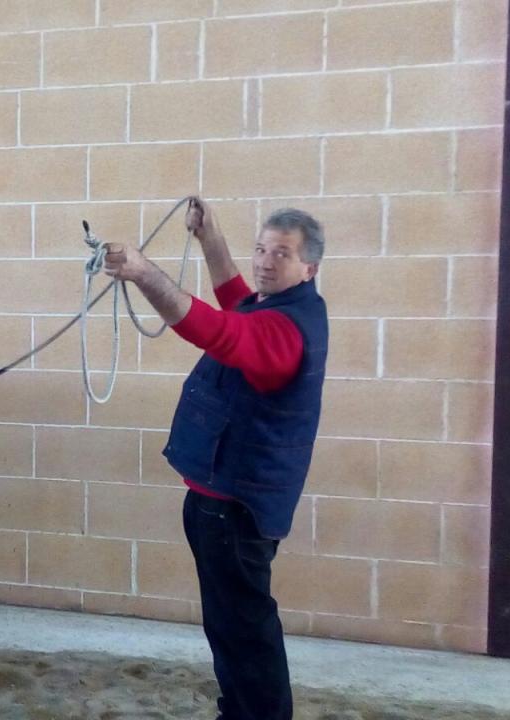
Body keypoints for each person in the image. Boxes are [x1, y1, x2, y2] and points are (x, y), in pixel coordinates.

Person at [102, 199, 328, 720]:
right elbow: (237, 303)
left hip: (235, 508)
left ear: (310, 268)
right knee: (232, 626)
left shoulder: (286, 330)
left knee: (242, 629)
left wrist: (143, 273)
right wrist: (212, 241)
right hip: (223, 501)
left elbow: (220, 331)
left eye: (282, 254)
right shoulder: (278, 307)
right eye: (261, 249)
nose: (265, 262)